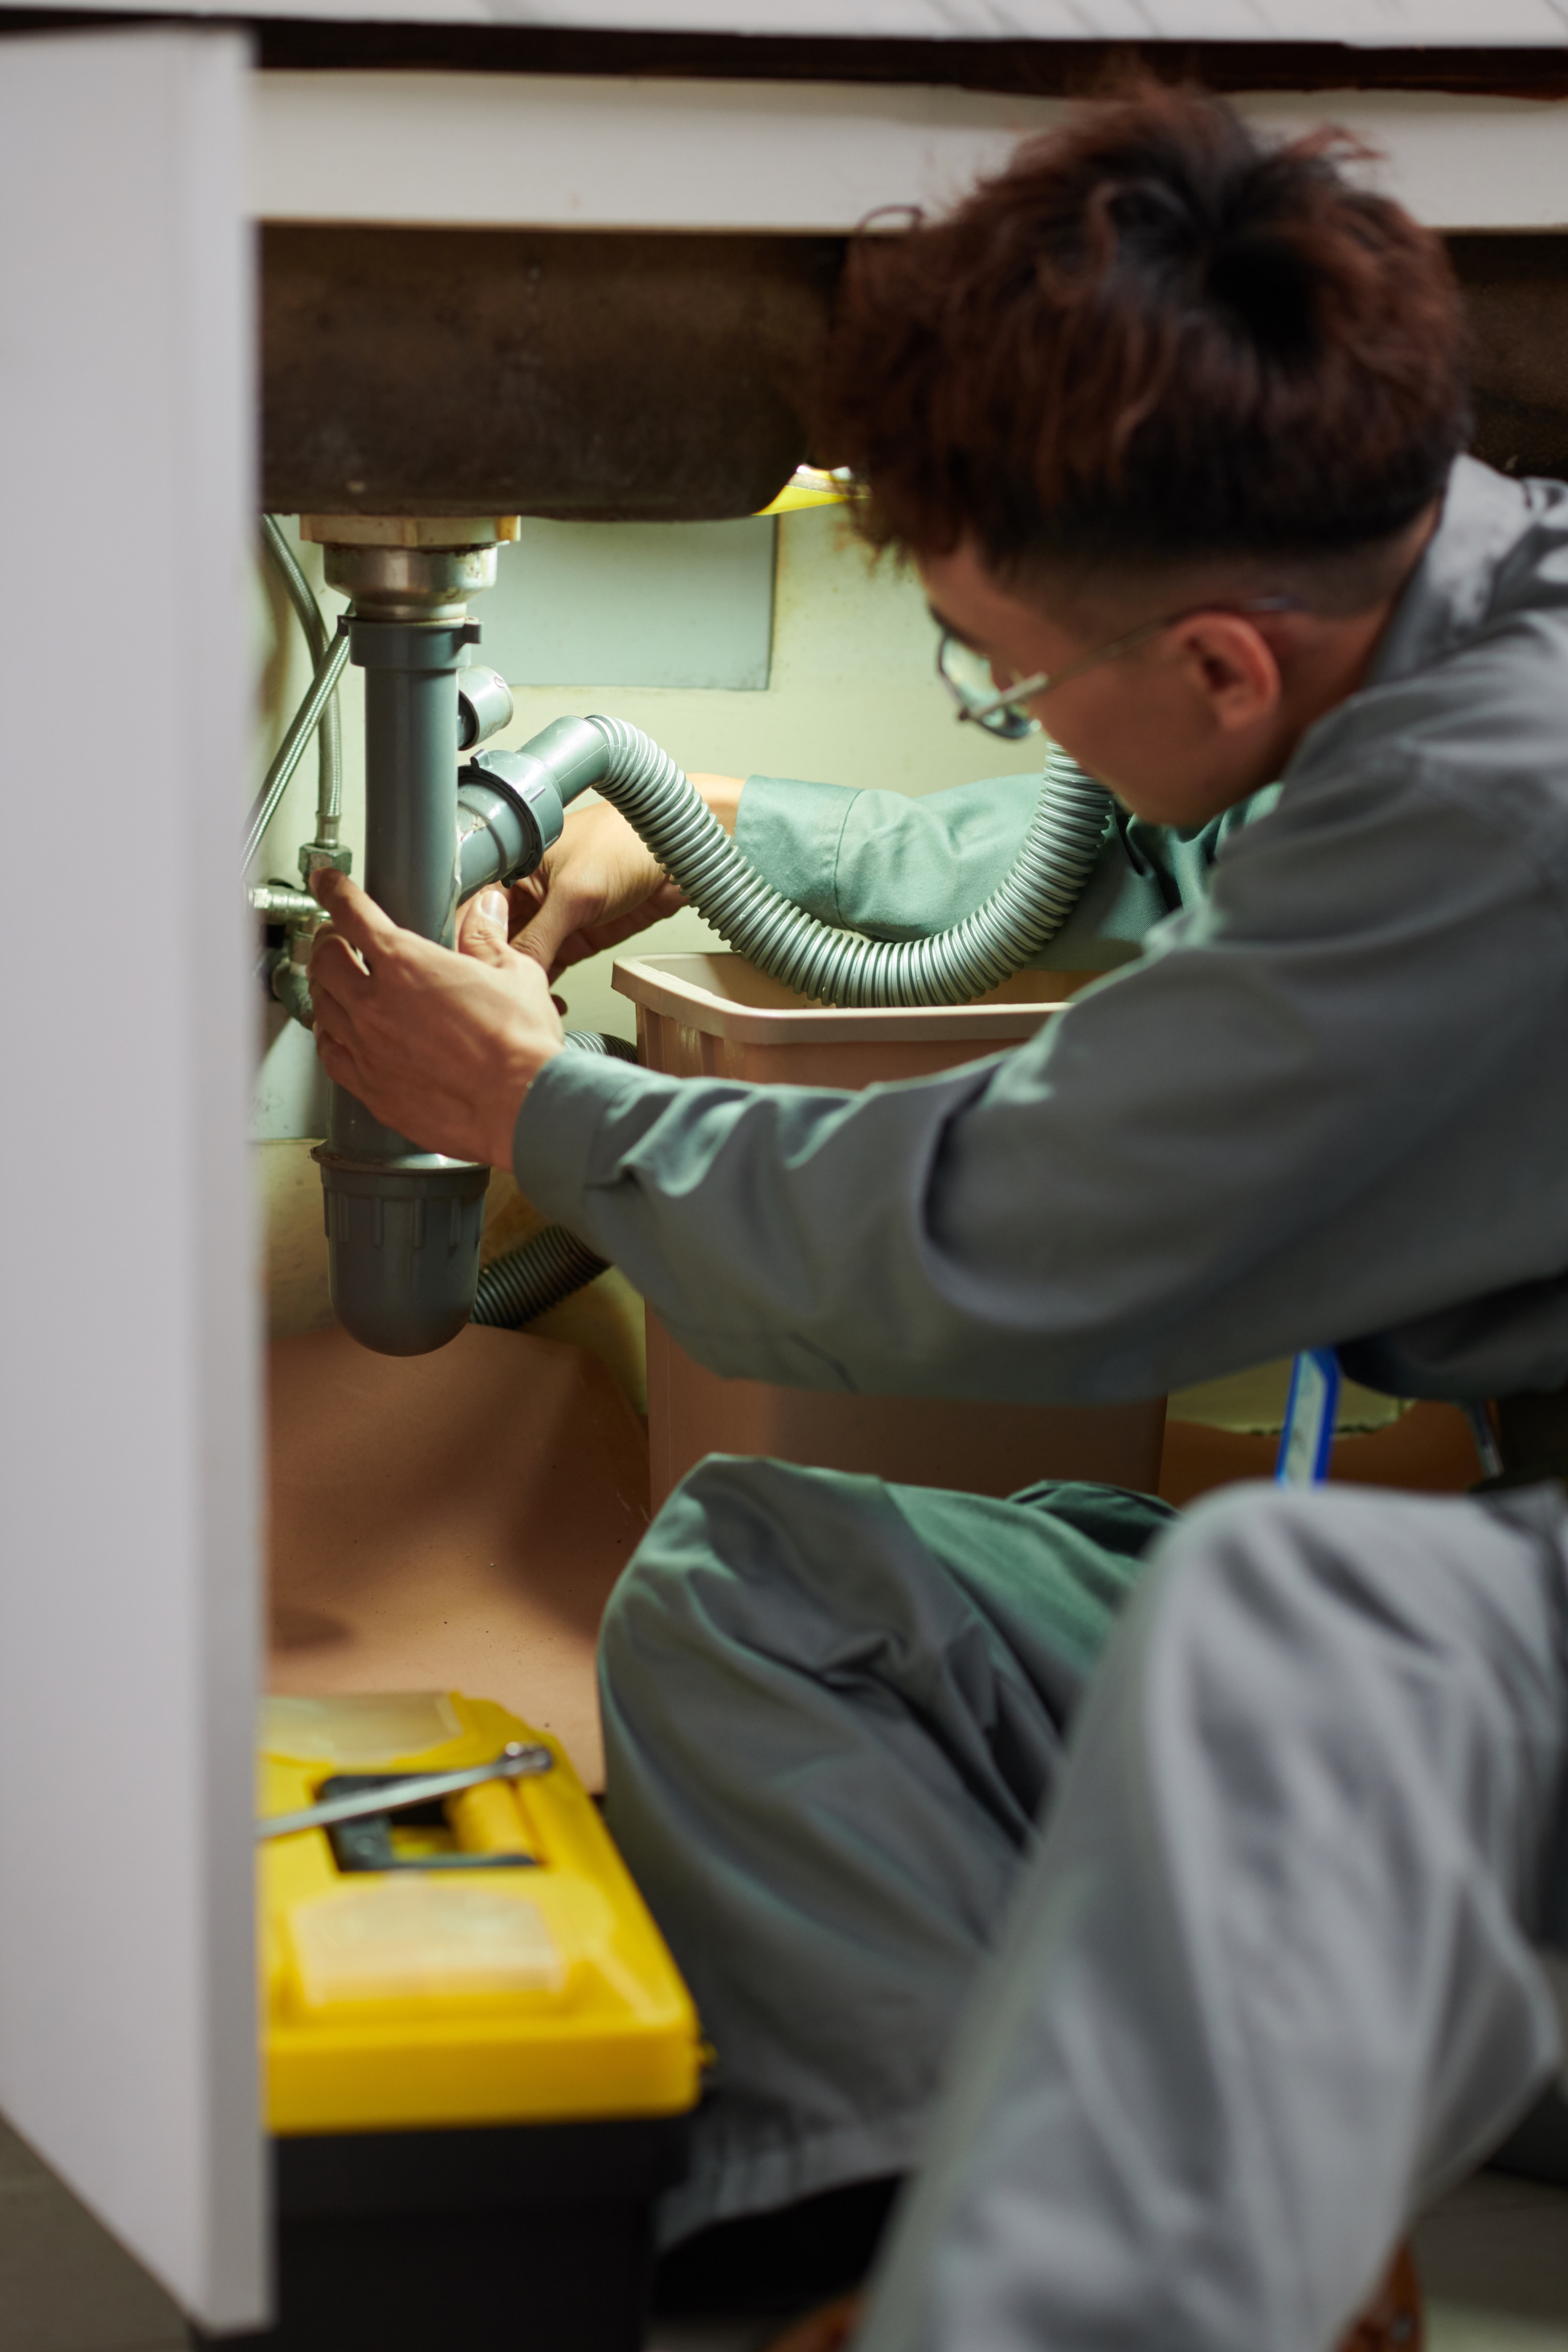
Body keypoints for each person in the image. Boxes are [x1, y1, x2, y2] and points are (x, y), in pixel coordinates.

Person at [309, 83, 1568, 2320]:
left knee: (1258, 1644)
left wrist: (530, 1106)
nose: (1016, 726)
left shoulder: (1505, 816)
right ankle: (930, 2245)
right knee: (772, 1583)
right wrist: (702, 826)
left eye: (1004, 683)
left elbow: (984, 1235)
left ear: (1211, 661)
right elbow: (1153, 850)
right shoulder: (1412, 602)